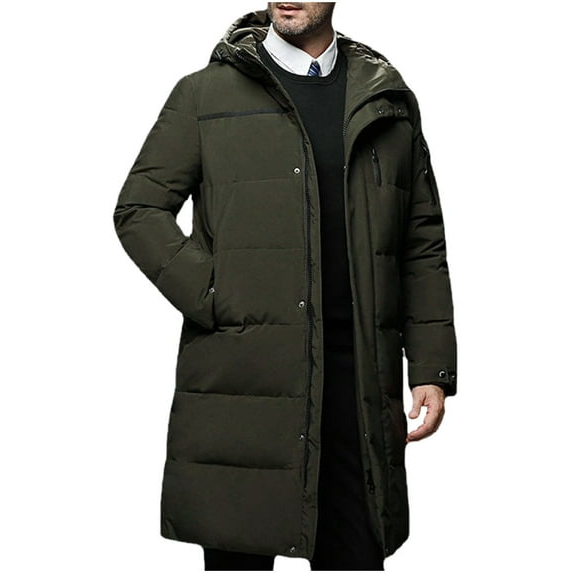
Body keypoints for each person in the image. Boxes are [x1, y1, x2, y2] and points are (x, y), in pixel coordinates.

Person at [113, 3, 457, 571]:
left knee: (355, 554)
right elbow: (139, 209)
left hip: (357, 388)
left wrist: (430, 366)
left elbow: (420, 240)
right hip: (243, 383)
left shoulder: (385, 100)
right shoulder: (204, 94)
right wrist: (214, 293)